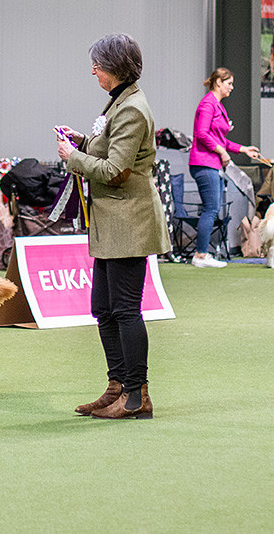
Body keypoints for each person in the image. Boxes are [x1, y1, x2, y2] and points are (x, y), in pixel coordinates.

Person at [56, 33, 170, 420]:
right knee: (104, 309)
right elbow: (109, 149)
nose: (93, 70)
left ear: (117, 68)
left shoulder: (132, 109)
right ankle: (117, 387)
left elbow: (116, 171)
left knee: (124, 310)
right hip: (111, 224)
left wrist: (73, 157)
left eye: (98, 64)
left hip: (128, 223)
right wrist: (83, 141)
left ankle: (137, 397)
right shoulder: (119, 102)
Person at [187, 68, 261, 268]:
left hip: (212, 163)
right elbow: (202, 134)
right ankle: (200, 256)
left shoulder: (218, 106)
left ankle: (202, 254)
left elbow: (221, 140)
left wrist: (244, 150)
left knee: (212, 208)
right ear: (218, 82)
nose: (232, 87)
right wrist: (221, 151)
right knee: (210, 209)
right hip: (204, 163)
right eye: (229, 83)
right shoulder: (208, 104)